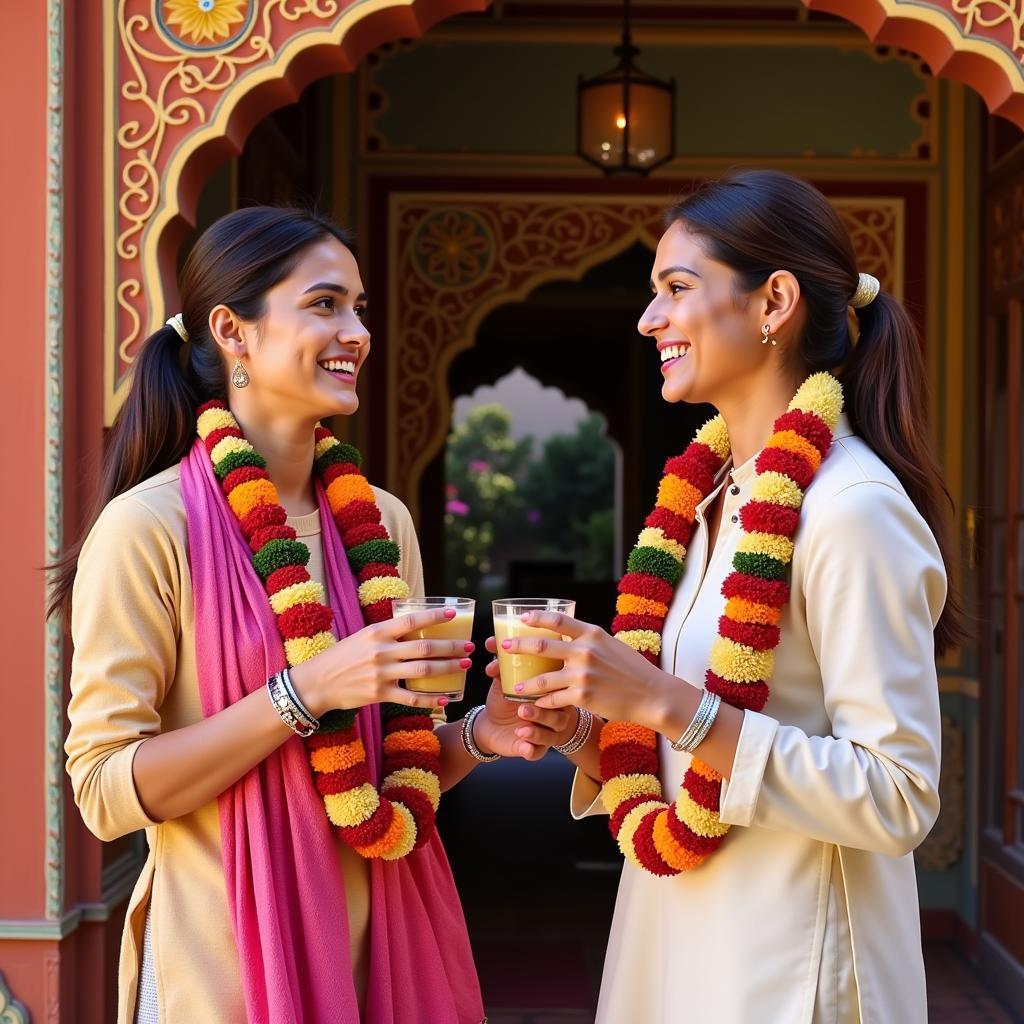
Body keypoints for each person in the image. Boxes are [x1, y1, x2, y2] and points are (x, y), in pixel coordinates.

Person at [53, 206, 575, 1024]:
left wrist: (479, 734)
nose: (356, 331)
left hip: (383, 958)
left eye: (359, 307)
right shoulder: (151, 529)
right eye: (326, 304)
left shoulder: (383, 524)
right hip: (221, 971)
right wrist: (303, 693)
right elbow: (106, 792)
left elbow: (380, 773)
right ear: (233, 330)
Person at [489, 170, 962, 1023]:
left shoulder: (850, 509)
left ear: (773, 302)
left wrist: (667, 703)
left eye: (676, 288)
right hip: (673, 936)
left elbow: (899, 797)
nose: (649, 319)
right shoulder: (707, 502)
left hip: (790, 966)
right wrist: (590, 729)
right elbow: (680, 749)